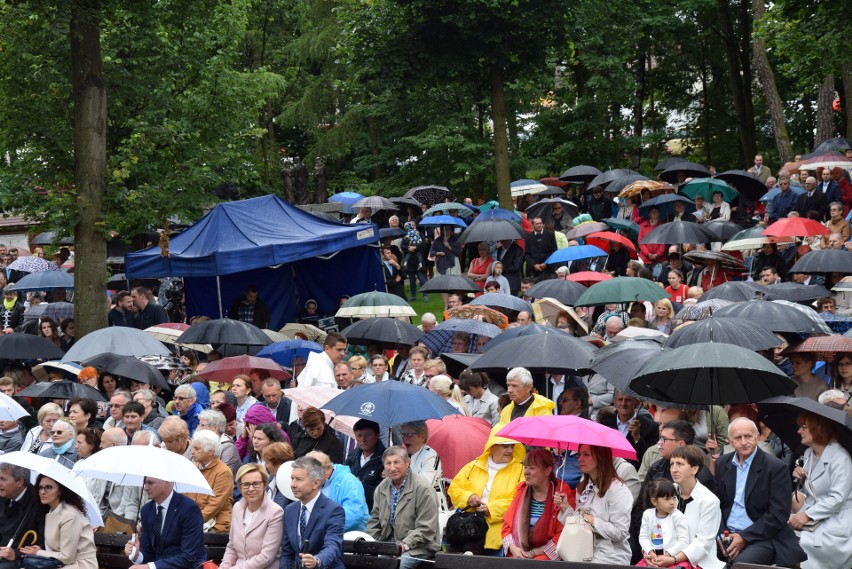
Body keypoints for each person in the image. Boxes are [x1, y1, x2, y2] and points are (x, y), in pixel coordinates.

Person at [713, 417, 806, 566]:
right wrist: (720, 535)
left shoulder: (775, 468)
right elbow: (716, 505)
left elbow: (778, 515)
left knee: (741, 565)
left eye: (748, 436)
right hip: (726, 533)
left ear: (757, 437)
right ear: (730, 441)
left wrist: (743, 537)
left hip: (762, 536)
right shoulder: (722, 463)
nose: (743, 442)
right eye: (738, 437)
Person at [788, 411, 852, 569]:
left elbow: (837, 498)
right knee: (782, 535)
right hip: (814, 517)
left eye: (803, 427)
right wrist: (801, 479)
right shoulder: (809, 453)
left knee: (800, 544)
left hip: (836, 521)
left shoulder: (841, 458)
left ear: (818, 429)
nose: (798, 431)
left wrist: (807, 515)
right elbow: (813, 490)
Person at [447, 432, 524, 554]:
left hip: (496, 530)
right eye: (505, 446)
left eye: (512, 446)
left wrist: (491, 509)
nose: (510, 450)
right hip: (467, 526)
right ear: (492, 446)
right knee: (451, 557)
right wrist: (469, 497)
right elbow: (454, 489)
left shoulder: (520, 471)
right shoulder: (473, 466)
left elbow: (520, 501)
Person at [366, 447, 440, 569]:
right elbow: (374, 521)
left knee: (399, 565)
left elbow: (426, 528)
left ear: (407, 462)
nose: (392, 467)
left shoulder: (423, 488)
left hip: (419, 546)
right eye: (388, 463)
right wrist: (371, 545)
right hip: (389, 543)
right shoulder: (382, 487)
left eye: (397, 462)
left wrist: (403, 546)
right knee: (368, 562)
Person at [559, 444, 632, 564]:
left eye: (586, 455)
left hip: (610, 557)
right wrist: (566, 508)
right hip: (581, 550)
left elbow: (621, 532)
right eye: (579, 454)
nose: (580, 459)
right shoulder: (583, 486)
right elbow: (580, 523)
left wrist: (594, 521)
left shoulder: (618, 490)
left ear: (601, 457)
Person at [124, 476, 207, 569]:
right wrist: (137, 555)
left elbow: (188, 557)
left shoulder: (189, 509)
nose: (145, 487)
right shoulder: (146, 510)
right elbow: (148, 552)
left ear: (166, 482)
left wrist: (149, 567)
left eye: (150, 483)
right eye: (145, 482)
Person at [664, 445, 725, 568]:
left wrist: (673, 559)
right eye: (672, 464)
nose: (674, 469)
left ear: (694, 469)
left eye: (680, 464)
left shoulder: (709, 501)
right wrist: (650, 551)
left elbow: (702, 544)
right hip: (666, 555)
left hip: (697, 562)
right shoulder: (667, 492)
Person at [279, 456, 345, 569]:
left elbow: (333, 545)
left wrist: (317, 560)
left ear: (315, 483)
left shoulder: (334, 510)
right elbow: (287, 553)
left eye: (299, 479)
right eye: (292, 478)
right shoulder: (289, 510)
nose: (292, 484)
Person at [20, 475, 96, 569]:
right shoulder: (52, 511)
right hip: (60, 563)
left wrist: (38, 552)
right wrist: (40, 551)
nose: (42, 492)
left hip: (80, 565)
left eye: (48, 487)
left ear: (60, 490)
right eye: (40, 488)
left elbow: (67, 557)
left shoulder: (69, 515)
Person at [501, 449, 565, 560]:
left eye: (532, 468)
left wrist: (534, 553)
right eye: (525, 467)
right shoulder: (521, 489)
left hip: (546, 555)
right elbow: (507, 526)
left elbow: (563, 535)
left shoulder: (561, 493)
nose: (526, 472)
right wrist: (513, 548)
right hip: (519, 551)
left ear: (547, 470)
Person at [220, 464, 284, 569]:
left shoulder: (275, 512)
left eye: (256, 484)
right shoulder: (237, 508)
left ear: (264, 484)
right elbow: (232, 546)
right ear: (240, 487)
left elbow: (266, 557)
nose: (251, 489)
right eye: (246, 484)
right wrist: (224, 567)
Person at [308, 451, 369, 532]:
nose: (310, 478)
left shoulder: (349, 481)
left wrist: (323, 524)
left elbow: (354, 514)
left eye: (313, 474)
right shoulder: (319, 482)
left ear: (326, 470)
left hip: (352, 536)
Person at [185, 430, 233, 532]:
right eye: (192, 447)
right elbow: (185, 496)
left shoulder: (223, 472)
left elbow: (215, 505)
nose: (192, 452)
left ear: (210, 452)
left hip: (215, 525)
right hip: (194, 520)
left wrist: (190, 521)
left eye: (197, 449)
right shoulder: (194, 467)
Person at [0, 463, 44, 568]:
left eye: (3, 479)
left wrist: (16, 553)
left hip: (20, 560)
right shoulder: (3, 495)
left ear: (20, 482)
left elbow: (43, 544)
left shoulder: (39, 503)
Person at [636, 479, 689, 567]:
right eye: (667, 499)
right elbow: (643, 537)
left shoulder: (677, 516)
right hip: (653, 559)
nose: (672, 502)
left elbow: (684, 541)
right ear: (654, 501)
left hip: (672, 558)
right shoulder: (647, 515)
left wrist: (667, 555)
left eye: (674, 497)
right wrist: (650, 551)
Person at [344, 419, 385, 512]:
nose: (363, 439)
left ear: (377, 435)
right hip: (350, 509)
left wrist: (358, 485)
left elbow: (382, 494)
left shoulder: (386, 460)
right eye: (359, 435)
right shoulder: (352, 456)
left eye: (368, 435)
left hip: (373, 512)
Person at [260, 442, 295, 510]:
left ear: (278, 463)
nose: (265, 466)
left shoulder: (293, 484)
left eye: (267, 462)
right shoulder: (270, 479)